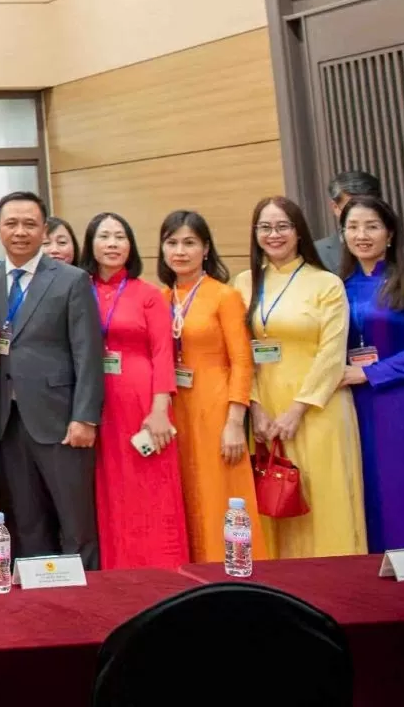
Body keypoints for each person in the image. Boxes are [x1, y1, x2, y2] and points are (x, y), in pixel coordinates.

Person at [0, 192, 104, 568]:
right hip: (5, 420)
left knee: (75, 518)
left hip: (60, 419)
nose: (20, 232)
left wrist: (85, 417)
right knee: (24, 519)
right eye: (11, 224)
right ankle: (36, 591)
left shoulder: (71, 280)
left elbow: (87, 353)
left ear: (43, 230)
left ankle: (86, 593)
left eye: (29, 224)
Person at [234, 196, 363, 558]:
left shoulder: (326, 283)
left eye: (282, 226)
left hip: (317, 406)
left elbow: (332, 354)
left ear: (298, 231)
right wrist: (255, 406)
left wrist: (297, 409)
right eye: (265, 227)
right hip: (264, 407)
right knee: (273, 498)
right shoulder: (243, 283)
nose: (273, 234)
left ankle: (332, 581)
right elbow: (239, 351)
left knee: (322, 496)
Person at [336, 196, 404, 552]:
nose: (361, 235)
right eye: (353, 227)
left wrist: (370, 373)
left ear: (390, 233)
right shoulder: (338, 286)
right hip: (352, 402)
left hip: (400, 399)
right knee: (366, 487)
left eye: (372, 226)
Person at [77, 212, 187, 570]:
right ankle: (117, 573)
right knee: (108, 489)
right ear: (90, 245)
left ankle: (161, 570)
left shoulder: (148, 294)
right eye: (104, 236)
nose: (112, 244)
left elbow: (162, 354)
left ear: (131, 245)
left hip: (141, 401)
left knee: (150, 487)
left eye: (120, 237)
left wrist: (160, 410)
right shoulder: (78, 290)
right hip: (94, 401)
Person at [158, 210, 264, 564]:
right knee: (185, 495)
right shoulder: (160, 298)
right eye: (172, 243)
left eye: (189, 243)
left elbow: (242, 361)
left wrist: (235, 422)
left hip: (216, 408)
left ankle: (231, 570)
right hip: (175, 411)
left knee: (219, 494)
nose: (180, 251)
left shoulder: (224, 296)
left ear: (206, 249)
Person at [315, 171, 404, 317]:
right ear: (335, 207)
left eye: (368, 205)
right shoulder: (317, 252)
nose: (361, 236)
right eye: (351, 207)